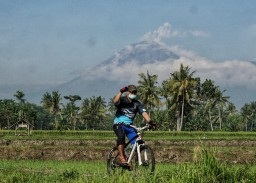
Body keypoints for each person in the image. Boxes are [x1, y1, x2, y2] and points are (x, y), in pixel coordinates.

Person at [113, 84, 156, 165]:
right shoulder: (122, 100)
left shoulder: (137, 104)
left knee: (138, 142)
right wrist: (120, 91)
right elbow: (115, 102)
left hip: (129, 126)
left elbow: (144, 113)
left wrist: (150, 122)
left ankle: (129, 161)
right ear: (127, 92)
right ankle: (121, 157)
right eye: (132, 92)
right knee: (121, 137)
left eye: (135, 92)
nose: (133, 94)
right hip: (119, 124)